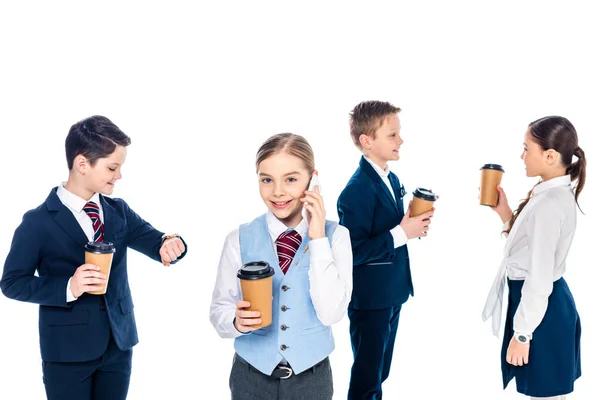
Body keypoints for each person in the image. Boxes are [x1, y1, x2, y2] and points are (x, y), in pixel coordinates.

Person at [1, 115, 187, 400]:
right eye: (112, 167)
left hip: (118, 345)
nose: (119, 175)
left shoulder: (118, 210)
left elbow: (156, 240)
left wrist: (171, 244)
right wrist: (68, 287)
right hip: (66, 352)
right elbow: (12, 283)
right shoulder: (37, 222)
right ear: (82, 164)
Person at [210, 133, 352, 400]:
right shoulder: (238, 239)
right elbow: (219, 311)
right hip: (249, 378)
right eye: (267, 180)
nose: (277, 192)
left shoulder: (336, 237)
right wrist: (235, 322)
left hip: (312, 381)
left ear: (313, 179)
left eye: (291, 179)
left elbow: (331, 314)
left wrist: (318, 235)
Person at [482, 116, 585, 399]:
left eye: (527, 148)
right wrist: (505, 215)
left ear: (550, 156)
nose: (522, 155)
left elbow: (538, 278)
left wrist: (523, 335)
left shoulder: (549, 204)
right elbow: (528, 250)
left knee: (545, 393)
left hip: (540, 309)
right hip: (542, 305)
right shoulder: (550, 195)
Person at [337, 100, 434, 399]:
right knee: (367, 376)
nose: (400, 140)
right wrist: (402, 232)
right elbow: (351, 252)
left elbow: (392, 228)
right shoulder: (355, 191)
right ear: (367, 142)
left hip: (392, 292)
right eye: (392, 135)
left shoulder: (391, 178)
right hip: (370, 299)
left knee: (381, 371)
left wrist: (412, 224)